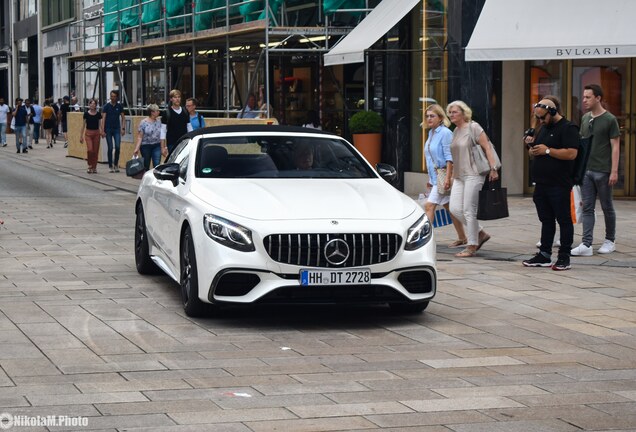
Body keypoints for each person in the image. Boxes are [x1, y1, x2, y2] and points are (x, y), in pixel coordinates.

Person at [522, 96, 579, 271]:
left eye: (542, 117)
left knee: (564, 220)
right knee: (546, 219)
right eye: (537, 118)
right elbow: (536, 152)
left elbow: (571, 154)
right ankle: (544, 254)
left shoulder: (568, 128)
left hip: (559, 183)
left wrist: (547, 150)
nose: (540, 121)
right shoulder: (543, 128)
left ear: (553, 112)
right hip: (541, 183)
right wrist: (531, 146)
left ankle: (564, 256)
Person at [571, 84, 620, 257]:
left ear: (598, 98)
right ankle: (586, 244)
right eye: (584, 97)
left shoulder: (610, 119)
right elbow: (582, 144)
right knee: (587, 207)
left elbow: (615, 147)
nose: (584, 100)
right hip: (587, 171)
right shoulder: (585, 118)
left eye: (588, 97)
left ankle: (610, 240)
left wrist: (614, 171)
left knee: (607, 206)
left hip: (603, 170)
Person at [446, 100, 498, 258]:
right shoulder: (455, 131)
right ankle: (480, 232)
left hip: (474, 173)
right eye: (449, 112)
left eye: (454, 112)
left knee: (469, 210)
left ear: (463, 112)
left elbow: (487, 147)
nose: (451, 115)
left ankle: (472, 245)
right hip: (459, 175)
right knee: (455, 208)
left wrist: (493, 168)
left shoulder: (474, 127)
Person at [423, 104, 466, 248]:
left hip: (444, 177)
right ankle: (463, 237)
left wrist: (447, 178)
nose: (429, 118)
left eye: (432, 116)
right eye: (427, 116)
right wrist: (430, 180)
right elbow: (431, 159)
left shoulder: (445, 133)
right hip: (436, 178)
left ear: (440, 117)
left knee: (429, 206)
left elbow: (450, 157)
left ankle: (425, 241)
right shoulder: (431, 133)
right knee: (451, 209)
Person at [100, 90, 126, 173]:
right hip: (108, 129)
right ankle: (110, 166)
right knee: (110, 147)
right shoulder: (106, 106)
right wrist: (102, 130)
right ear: (110, 97)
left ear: (117, 97)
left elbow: (123, 118)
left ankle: (116, 164)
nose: (113, 98)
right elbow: (103, 118)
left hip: (116, 129)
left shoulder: (119, 106)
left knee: (118, 147)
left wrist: (123, 128)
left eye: (114, 96)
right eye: (111, 96)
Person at [135, 104, 166, 170]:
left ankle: (155, 179)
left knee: (157, 165)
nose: (159, 112)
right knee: (146, 165)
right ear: (152, 112)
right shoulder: (143, 122)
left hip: (157, 145)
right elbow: (140, 137)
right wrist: (137, 148)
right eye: (157, 111)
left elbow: (162, 135)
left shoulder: (159, 121)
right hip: (145, 146)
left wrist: (163, 146)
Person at [161, 89, 190, 155]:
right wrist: (162, 147)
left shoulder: (185, 111)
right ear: (171, 99)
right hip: (171, 143)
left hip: (184, 141)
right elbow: (163, 130)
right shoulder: (166, 113)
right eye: (175, 97)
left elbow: (189, 127)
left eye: (179, 97)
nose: (177, 99)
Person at [80, 99, 101, 173]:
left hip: (96, 133)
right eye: (91, 104)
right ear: (89, 105)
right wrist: (81, 136)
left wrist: (102, 132)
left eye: (94, 104)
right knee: (90, 150)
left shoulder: (98, 114)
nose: (92, 105)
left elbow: (100, 125)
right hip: (88, 133)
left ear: (96, 105)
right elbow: (83, 125)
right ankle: (90, 165)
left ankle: (94, 167)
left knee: (95, 151)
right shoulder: (86, 114)